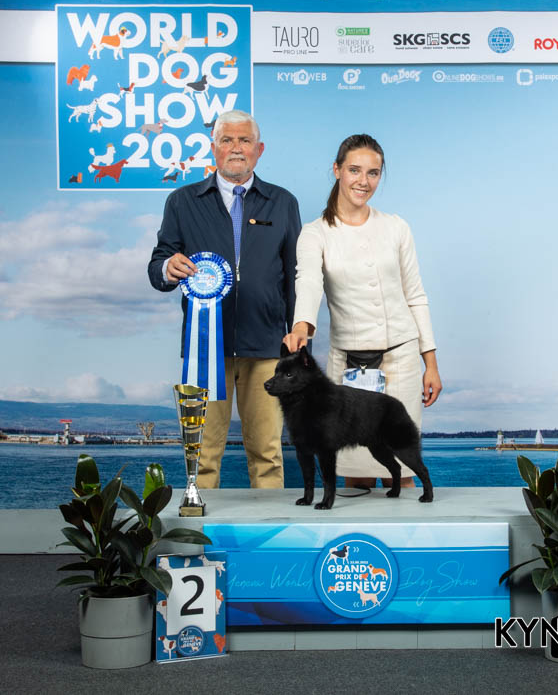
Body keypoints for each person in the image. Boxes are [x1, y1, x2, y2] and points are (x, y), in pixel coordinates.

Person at [148, 110, 302, 489]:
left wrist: (298, 344)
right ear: (213, 148)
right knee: (201, 455)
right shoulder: (182, 201)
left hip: (267, 350)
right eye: (227, 140)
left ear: (259, 150)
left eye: (244, 141)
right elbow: (157, 266)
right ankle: (199, 523)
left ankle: (269, 527)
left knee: (268, 453)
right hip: (204, 351)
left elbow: (296, 277)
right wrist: (168, 267)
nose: (236, 148)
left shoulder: (283, 202)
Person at [282, 133, 442, 489]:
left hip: (401, 361)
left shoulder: (397, 227)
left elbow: (416, 295)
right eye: (354, 170)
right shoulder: (314, 233)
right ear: (336, 170)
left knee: (401, 472)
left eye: (373, 173)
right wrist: (301, 326)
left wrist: (430, 364)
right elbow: (308, 282)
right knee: (355, 474)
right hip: (348, 365)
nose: (363, 181)